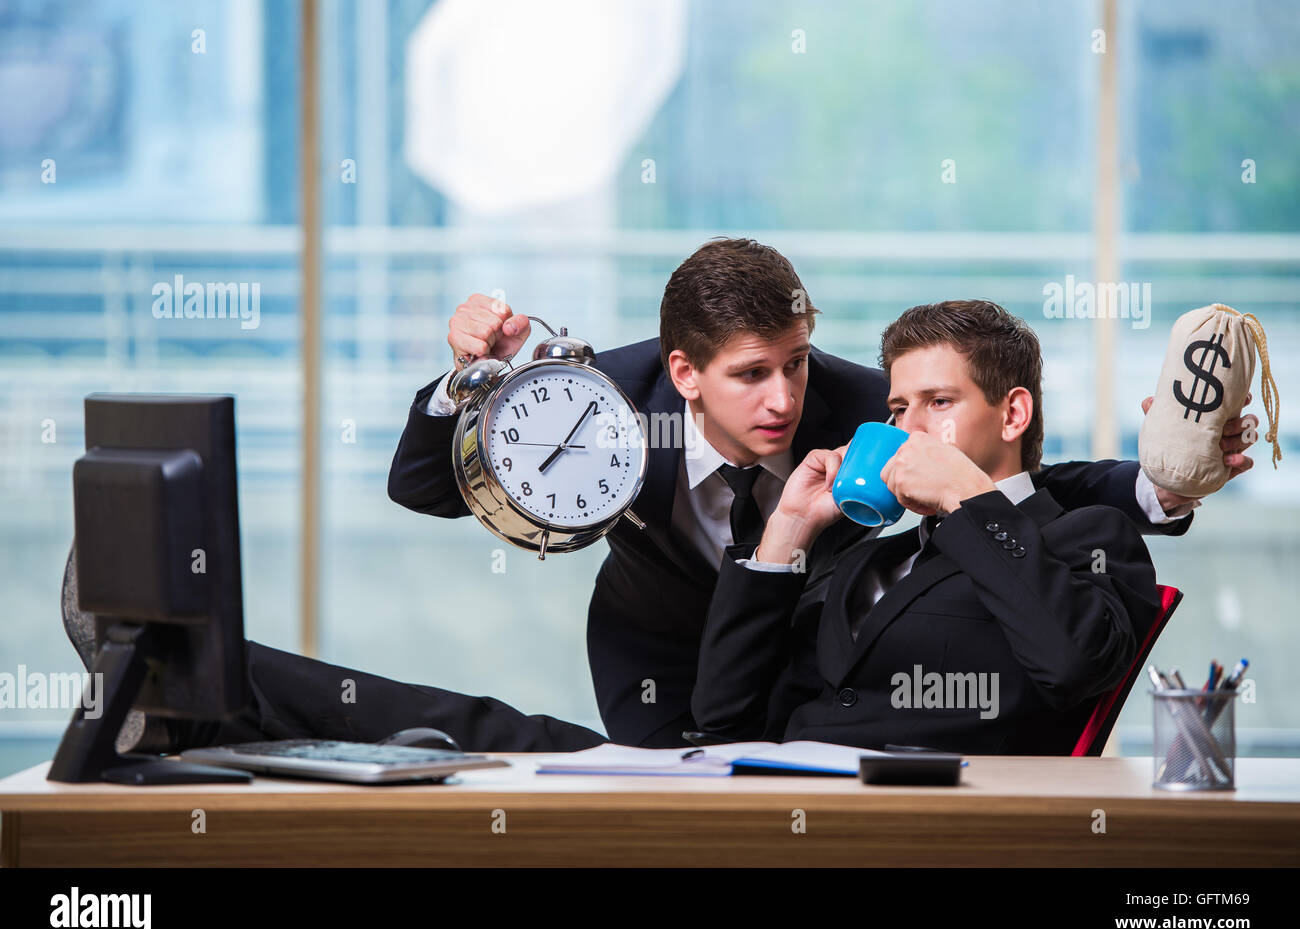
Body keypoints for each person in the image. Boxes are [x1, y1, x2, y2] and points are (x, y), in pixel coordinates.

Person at [383, 238, 1236, 749]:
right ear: (685, 373)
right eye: (751, 375)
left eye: (794, 362)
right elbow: (422, 484)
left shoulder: (873, 405)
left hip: (799, 671)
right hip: (656, 651)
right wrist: (469, 377)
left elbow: (1010, 475)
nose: (784, 400)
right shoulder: (598, 405)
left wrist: (1156, 485)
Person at [690, 300, 1172, 753]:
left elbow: (1074, 665)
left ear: (1013, 415)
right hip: (793, 805)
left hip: (937, 823)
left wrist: (968, 498)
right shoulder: (866, 558)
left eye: (938, 402)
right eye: (899, 409)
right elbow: (724, 717)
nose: (909, 430)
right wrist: (788, 531)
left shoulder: (1091, 538)